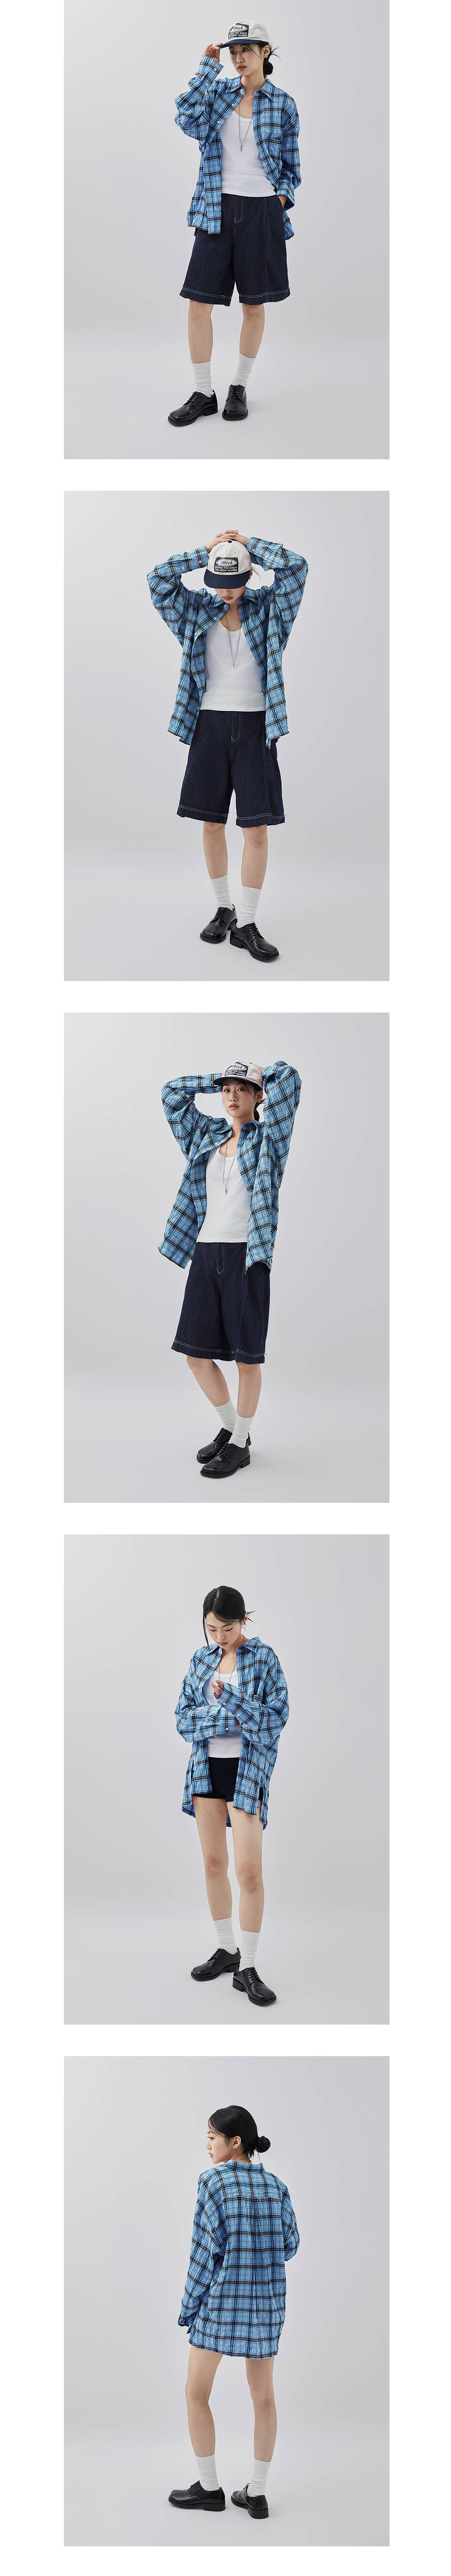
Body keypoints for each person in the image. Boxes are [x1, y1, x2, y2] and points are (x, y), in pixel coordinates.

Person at [147, 528, 308, 965]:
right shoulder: (195, 609)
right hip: (208, 726)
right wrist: (206, 551)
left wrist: (251, 545)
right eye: (218, 582)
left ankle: (247, 923)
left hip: (257, 726)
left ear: (250, 575)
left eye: (234, 581)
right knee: (212, 823)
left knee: (256, 828)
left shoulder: (271, 608)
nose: (226, 591)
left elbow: (297, 568)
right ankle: (224, 908)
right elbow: (158, 579)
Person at [160, 1055, 301, 1477]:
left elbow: (290, 1079)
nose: (232, 1096)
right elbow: (171, 1093)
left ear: (259, 1095)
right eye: (227, 1090)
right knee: (196, 1356)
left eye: (242, 1089)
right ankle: (232, 1429)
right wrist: (218, 1078)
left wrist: (259, 1074)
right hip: (205, 1252)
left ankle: (240, 1444)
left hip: (246, 1255)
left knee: (246, 1359)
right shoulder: (206, 1134)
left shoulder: (270, 1138)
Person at [169, 2100, 299, 2519]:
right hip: (266, 2308)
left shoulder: (212, 2182)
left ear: (236, 2141)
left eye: (212, 2136)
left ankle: (210, 2489)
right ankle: (257, 2494)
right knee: (265, 2399)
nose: (208, 2144)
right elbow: (291, 2245)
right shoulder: (277, 2186)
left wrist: (189, 2307)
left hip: (220, 2305)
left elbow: (203, 2254)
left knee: (196, 2393)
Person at [168, 20, 301, 429]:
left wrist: (277, 203)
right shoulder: (220, 93)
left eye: (246, 50)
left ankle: (239, 387)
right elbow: (185, 117)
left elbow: (291, 168)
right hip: (216, 208)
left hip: (262, 212)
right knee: (198, 305)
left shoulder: (284, 104)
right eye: (233, 52)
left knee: (253, 305)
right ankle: (203, 393)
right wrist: (207, 68)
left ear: (265, 52)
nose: (239, 58)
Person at [175, 1579, 289, 2002]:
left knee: (249, 1872)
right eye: (212, 1629)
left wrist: (235, 1701)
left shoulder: (263, 1658)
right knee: (213, 1864)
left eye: (228, 1627)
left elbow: (275, 1719)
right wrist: (232, 1718)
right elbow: (183, 1719)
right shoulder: (201, 1660)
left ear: (243, 1620)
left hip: (248, 1771)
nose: (220, 1636)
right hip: (205, 1771)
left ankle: (249, 1965)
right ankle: (227, 1950)